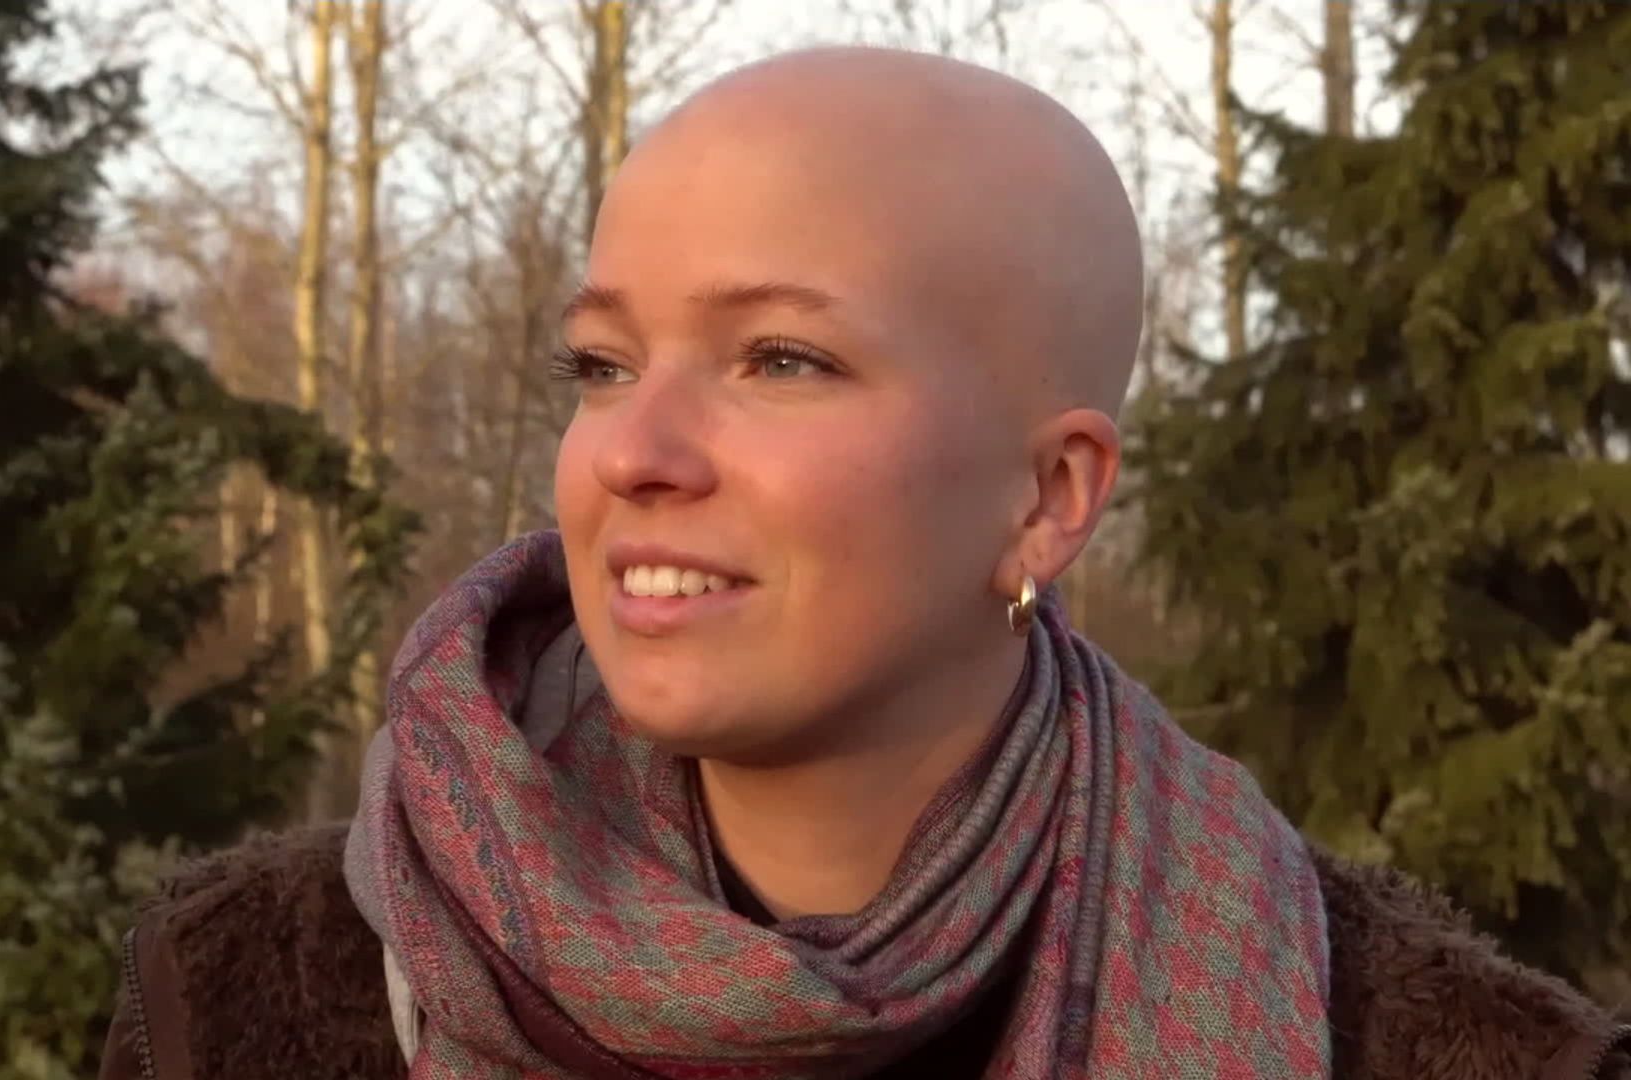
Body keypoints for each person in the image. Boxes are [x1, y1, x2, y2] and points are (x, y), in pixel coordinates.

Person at [98, 47, 1630, 1080]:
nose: (635, 451)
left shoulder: (1435, 1044)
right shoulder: (241, 1001)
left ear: (1048, 498)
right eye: (602, 363)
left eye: (781, 358)